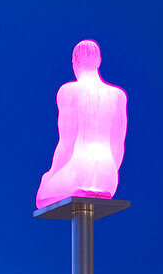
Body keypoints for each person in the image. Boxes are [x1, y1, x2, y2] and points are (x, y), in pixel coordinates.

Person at [36, 39, 128, 209]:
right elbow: (118, 147)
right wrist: (107, 173)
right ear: (99, 61)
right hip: (108, 176)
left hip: (78, 171)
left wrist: (52, 174)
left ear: (75, 61)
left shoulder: (68, 91)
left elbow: (66, 144)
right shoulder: (118, 95)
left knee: (42, 192)